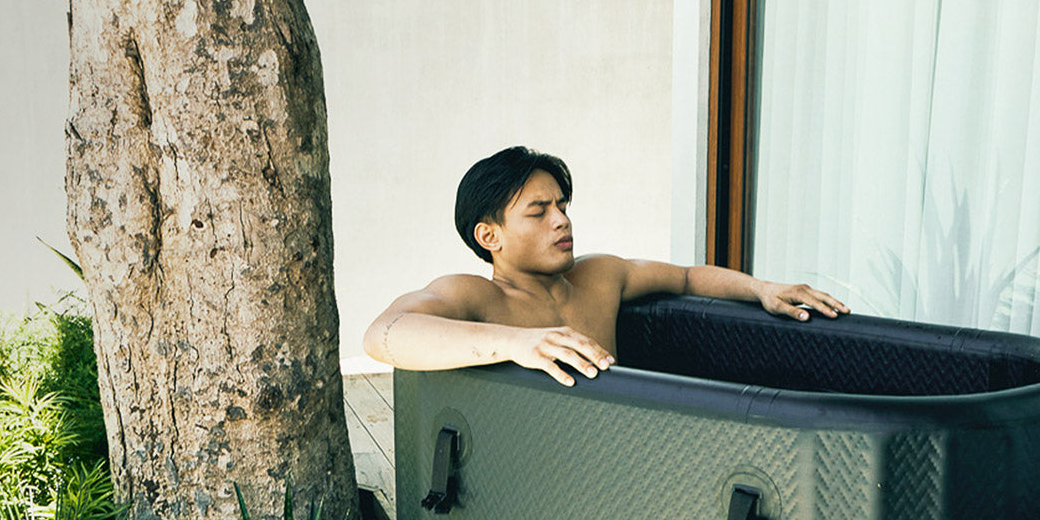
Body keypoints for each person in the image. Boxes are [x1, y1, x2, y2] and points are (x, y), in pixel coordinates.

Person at [363, 145, 849, 386]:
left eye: (562, 206)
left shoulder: (599, 276)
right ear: (490, 236)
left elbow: (685, 277)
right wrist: (518, 343)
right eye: (539, 211)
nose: (561, 220)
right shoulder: (476, 296)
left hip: (618, 454)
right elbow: (383, 334)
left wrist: (762, 289)